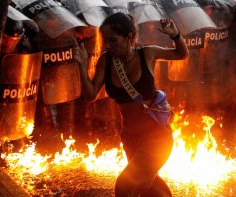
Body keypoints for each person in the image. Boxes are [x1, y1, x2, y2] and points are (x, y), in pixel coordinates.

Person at [73, 12, 188, 197]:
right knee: (149, 187)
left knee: (125, 186)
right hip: (130, 138)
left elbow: (182, 54)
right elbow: (90, 95)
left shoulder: (147, 54)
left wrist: (175, 35)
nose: (107, 46)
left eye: (113, 40)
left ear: (130, 37)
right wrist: (81, 65)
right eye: (105, 41)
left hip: (156, 137)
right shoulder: (106, 59)